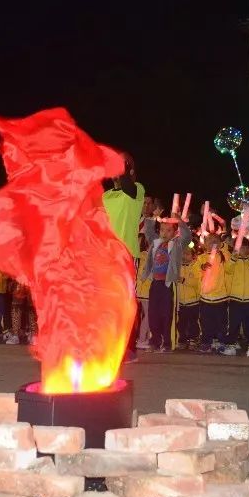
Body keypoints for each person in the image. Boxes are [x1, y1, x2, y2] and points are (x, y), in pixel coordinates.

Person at [102, 153, 145, 359]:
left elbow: (127, 185)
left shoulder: (136, 191)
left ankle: (129, 347)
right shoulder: (107, 196)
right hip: (107, 256)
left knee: (125, 302)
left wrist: (124, 164)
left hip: (127, 255)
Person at [139, 211, 191, 352]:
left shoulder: (177, 245)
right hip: (155, 283)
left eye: (169, 230)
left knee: (167, 314)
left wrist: (179, 220)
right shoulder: (156, 243)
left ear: (175, 233)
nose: (164, 233)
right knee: (153, 314)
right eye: (162, 230)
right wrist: (152, 216)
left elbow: (187, 236)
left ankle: (168, 343)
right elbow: (149, 232)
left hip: (168, 285)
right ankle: (155, 341)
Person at [174, 244, 201, 349]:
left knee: (193, 322)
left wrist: (184, 280)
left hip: (193, 301)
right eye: (182, 254)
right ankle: (182, 339)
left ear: (193, 256)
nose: (184, 256)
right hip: (180, 302)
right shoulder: (177, 267)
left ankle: (194, 339)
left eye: (187, 254)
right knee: (181, 323)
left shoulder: (195, 266)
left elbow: (197, 282)